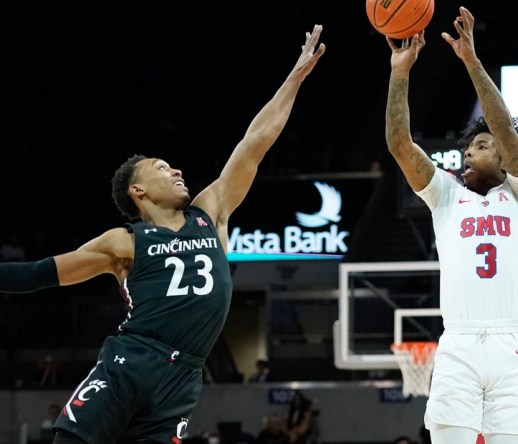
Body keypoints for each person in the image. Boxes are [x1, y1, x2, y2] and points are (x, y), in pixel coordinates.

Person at [0, 25, 325, 444]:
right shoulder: (124, 242)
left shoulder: (211, 211)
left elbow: (255, 141)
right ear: (137, 191)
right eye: (161, 167)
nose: (176, 170)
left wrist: (294, 77)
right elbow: (36, 275)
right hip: (131, 361)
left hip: (185, 376)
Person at [383, 7, 518, 444]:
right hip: (457, 344)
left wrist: (472, 62)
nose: (468, 153)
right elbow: (400, 145)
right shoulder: (446, 195)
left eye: (480, 145)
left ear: (506, 156)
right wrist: (400, 72)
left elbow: (504, 128)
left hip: (512, 346)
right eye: (468, 147)